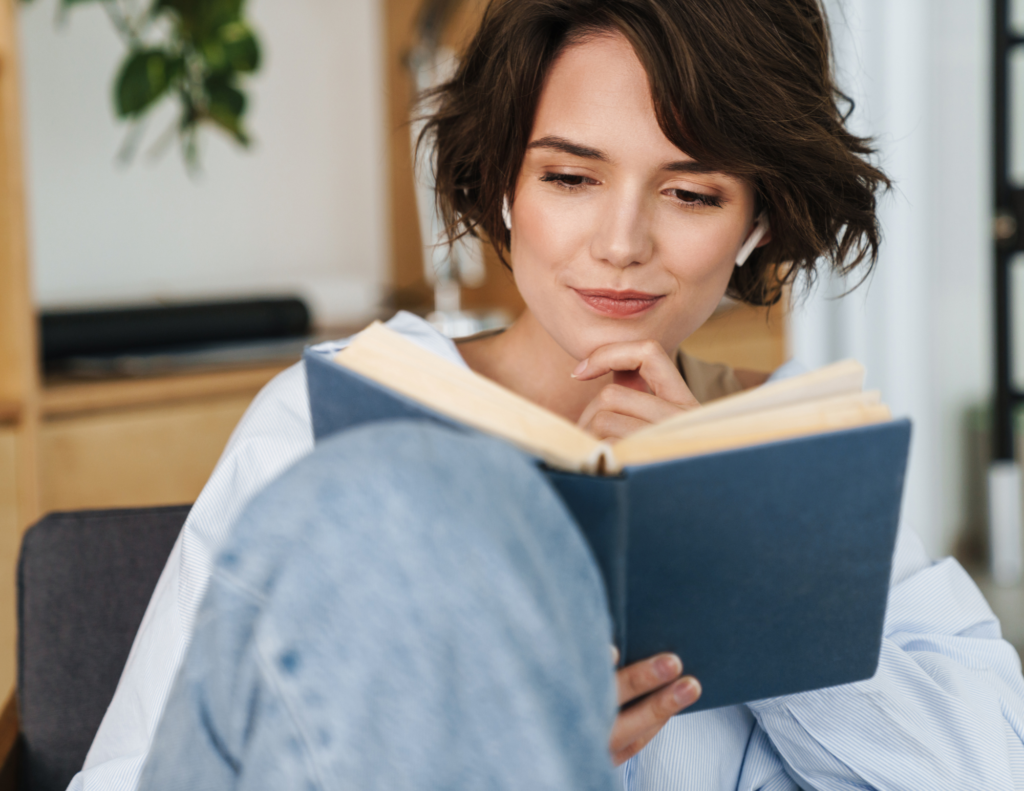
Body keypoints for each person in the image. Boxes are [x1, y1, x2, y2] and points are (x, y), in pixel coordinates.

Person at [71, 1, 1024, 789]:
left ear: (757, 217)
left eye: (691, 194)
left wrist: (743, 549)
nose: (621, 243)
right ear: (501, 187)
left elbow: (983, 766)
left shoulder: (795, 453)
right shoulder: (321, 422)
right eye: (570, 176)